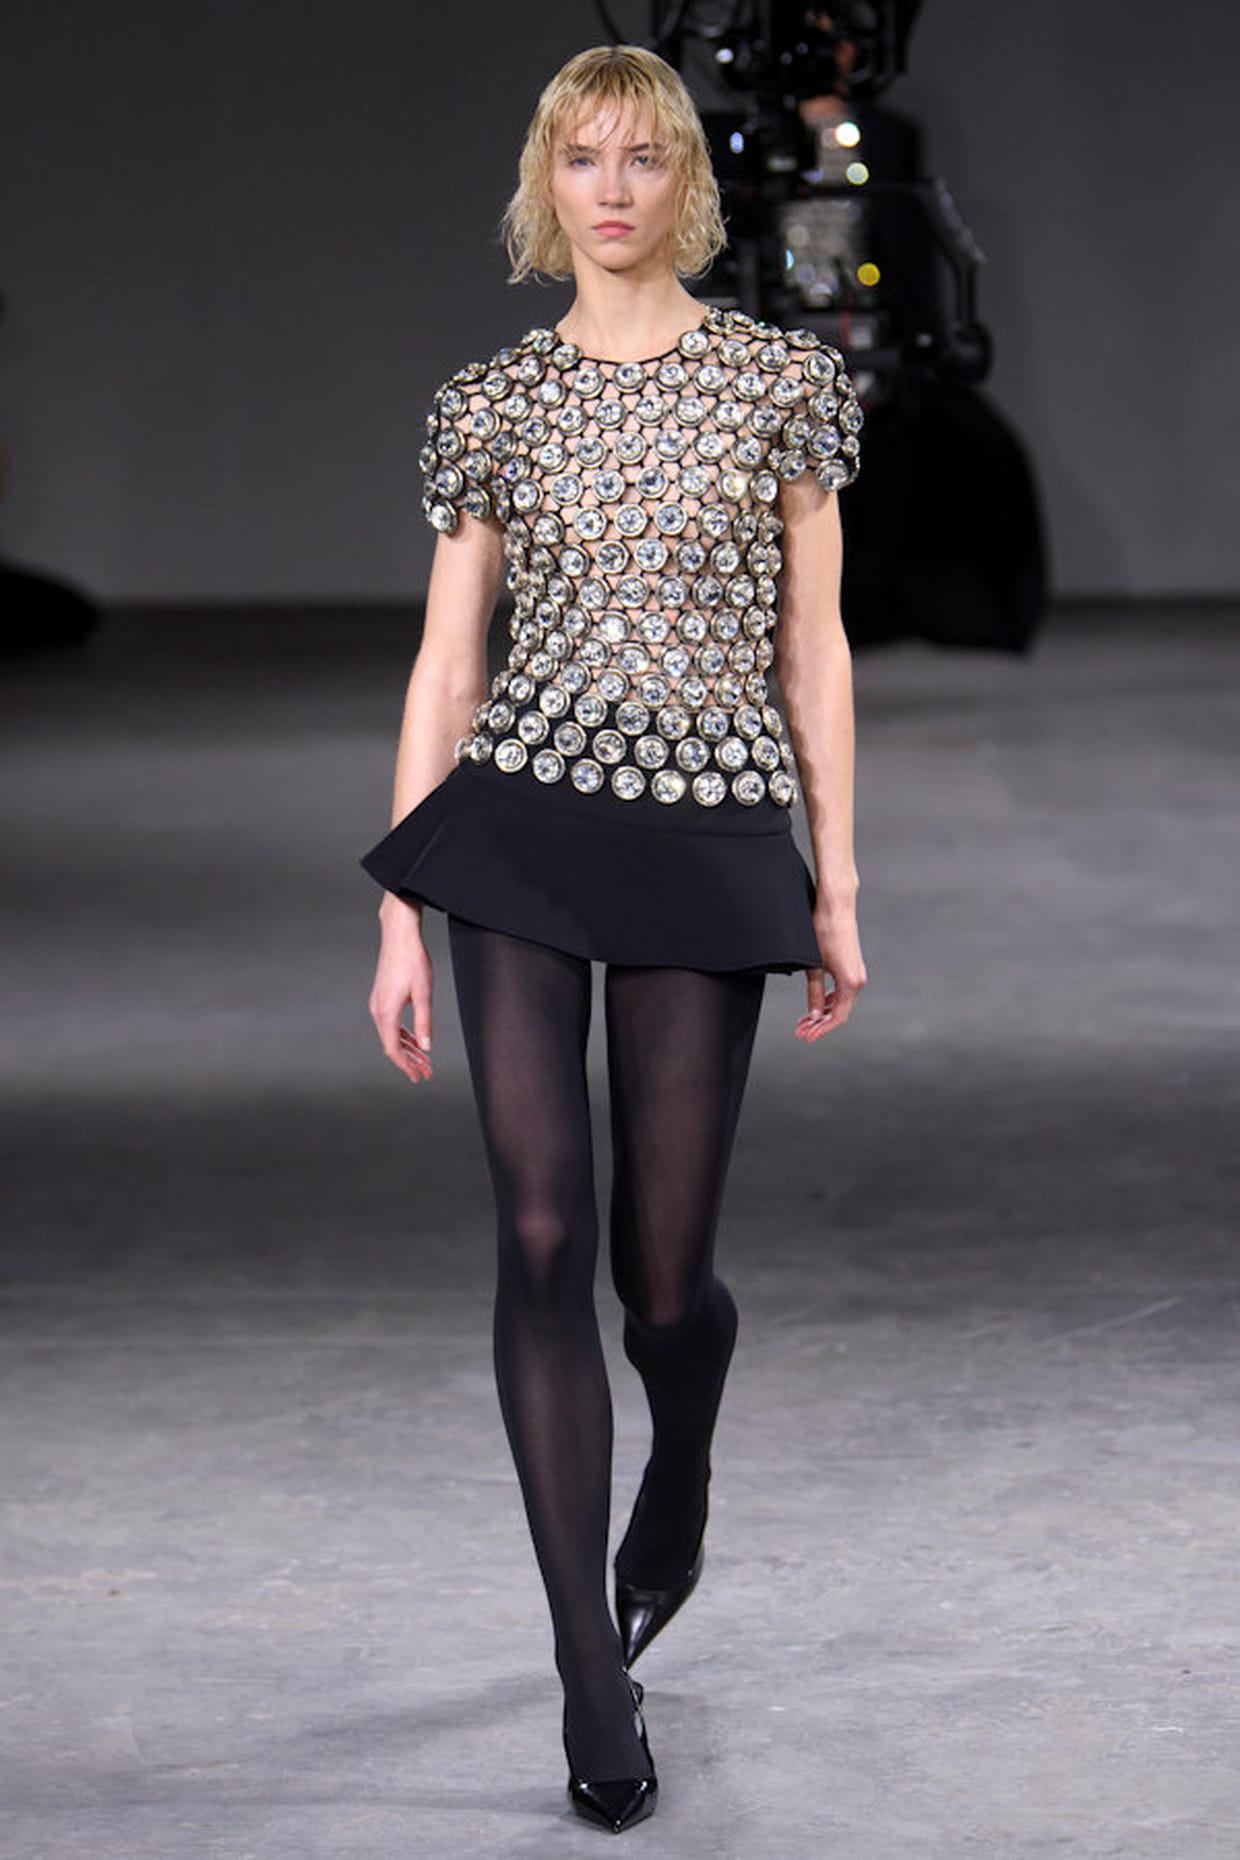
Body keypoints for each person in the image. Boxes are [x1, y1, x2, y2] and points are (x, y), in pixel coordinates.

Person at [363, 43, 865, 1835]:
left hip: (708, 830)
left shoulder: (780, 386)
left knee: (663, 1281)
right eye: (583, 158)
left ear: (686, 185)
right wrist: (403, 906)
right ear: (545, 183)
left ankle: (686, 1463)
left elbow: (814, 647)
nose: (614, 189)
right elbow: (448, 662)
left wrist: (837, 882)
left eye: (645, 158)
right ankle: (593, 1672)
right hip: (520, 830)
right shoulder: (490, 402)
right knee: (539, 1231)